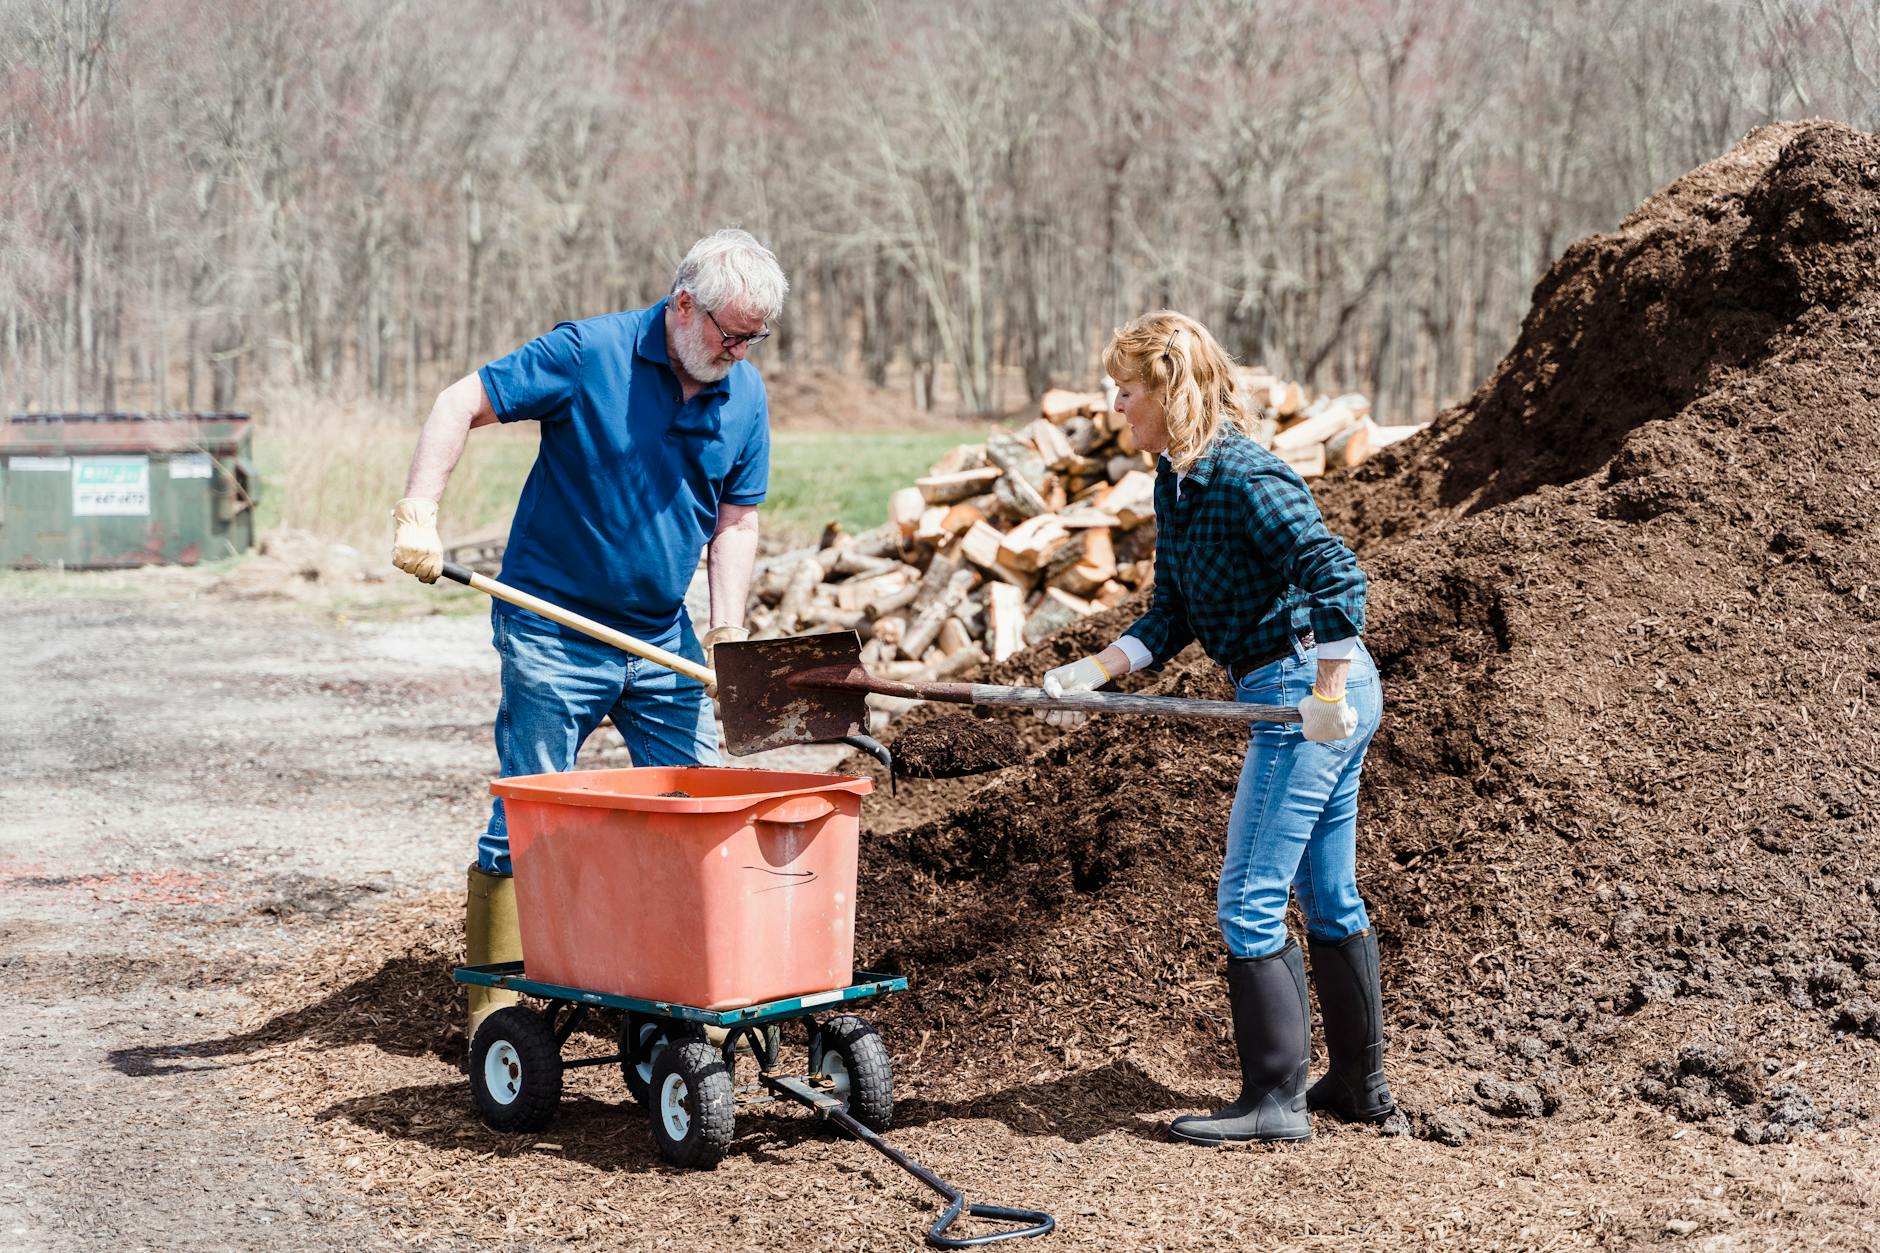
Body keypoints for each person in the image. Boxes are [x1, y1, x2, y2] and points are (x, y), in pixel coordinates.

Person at [390, 228, 786, 1043]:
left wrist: (728, 627)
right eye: (730, 333)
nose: (741, 353)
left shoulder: (741, 396)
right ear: (684, 305)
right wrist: (419, 509)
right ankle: (495, 1014)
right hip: (550, 627)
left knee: (700, 801)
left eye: (755, 338)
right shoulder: (588, 353)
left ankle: (687, 991)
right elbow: (457, 401)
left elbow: (735, 523)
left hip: (658, 634)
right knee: (533, 816)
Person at [1039, 310, 1392, 1143]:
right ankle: (1356, 1084)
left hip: (1309, 693)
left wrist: (1328, 688)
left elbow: (1337, 571)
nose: (1115, 409)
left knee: (1248, 898)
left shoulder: (1243, 476)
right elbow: (1171, 614)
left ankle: (1275, 1100)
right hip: (1310, 691)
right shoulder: (1178, 480)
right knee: (1325, 892)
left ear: (1168, 389)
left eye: (1126, 392)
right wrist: (1094, 669)